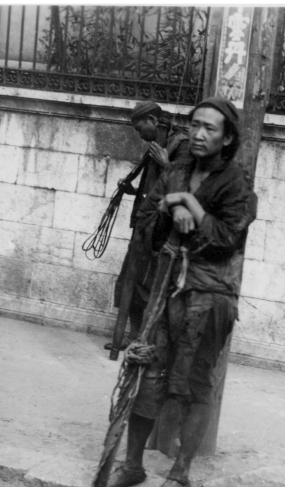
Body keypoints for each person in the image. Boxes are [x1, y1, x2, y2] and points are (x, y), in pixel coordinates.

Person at [102, 96, 256, 487]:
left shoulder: (236, 184)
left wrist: (191, 206)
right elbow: (148, 228)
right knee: (146, 372)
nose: (200, 134)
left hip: (209, 298)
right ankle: (132, 464)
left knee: (192, 386)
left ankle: (180, 476)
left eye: (211, 128)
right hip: (165, 290)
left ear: (227, 140)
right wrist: (173, 205)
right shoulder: (175, 172)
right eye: (196, 125)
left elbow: (225, 241)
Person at [106, 101, 190, 351]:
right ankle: (131, 335)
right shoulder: (156, 146)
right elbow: (154, 188)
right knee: (129, 280)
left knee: (148, 284)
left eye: (138, 126)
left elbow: (185, 187)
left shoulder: (180, 144)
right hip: (143, 225)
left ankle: (145, 338)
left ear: (153, 120)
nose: (137, 132)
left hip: (162, 230)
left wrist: (167, 164)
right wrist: (133, 190)